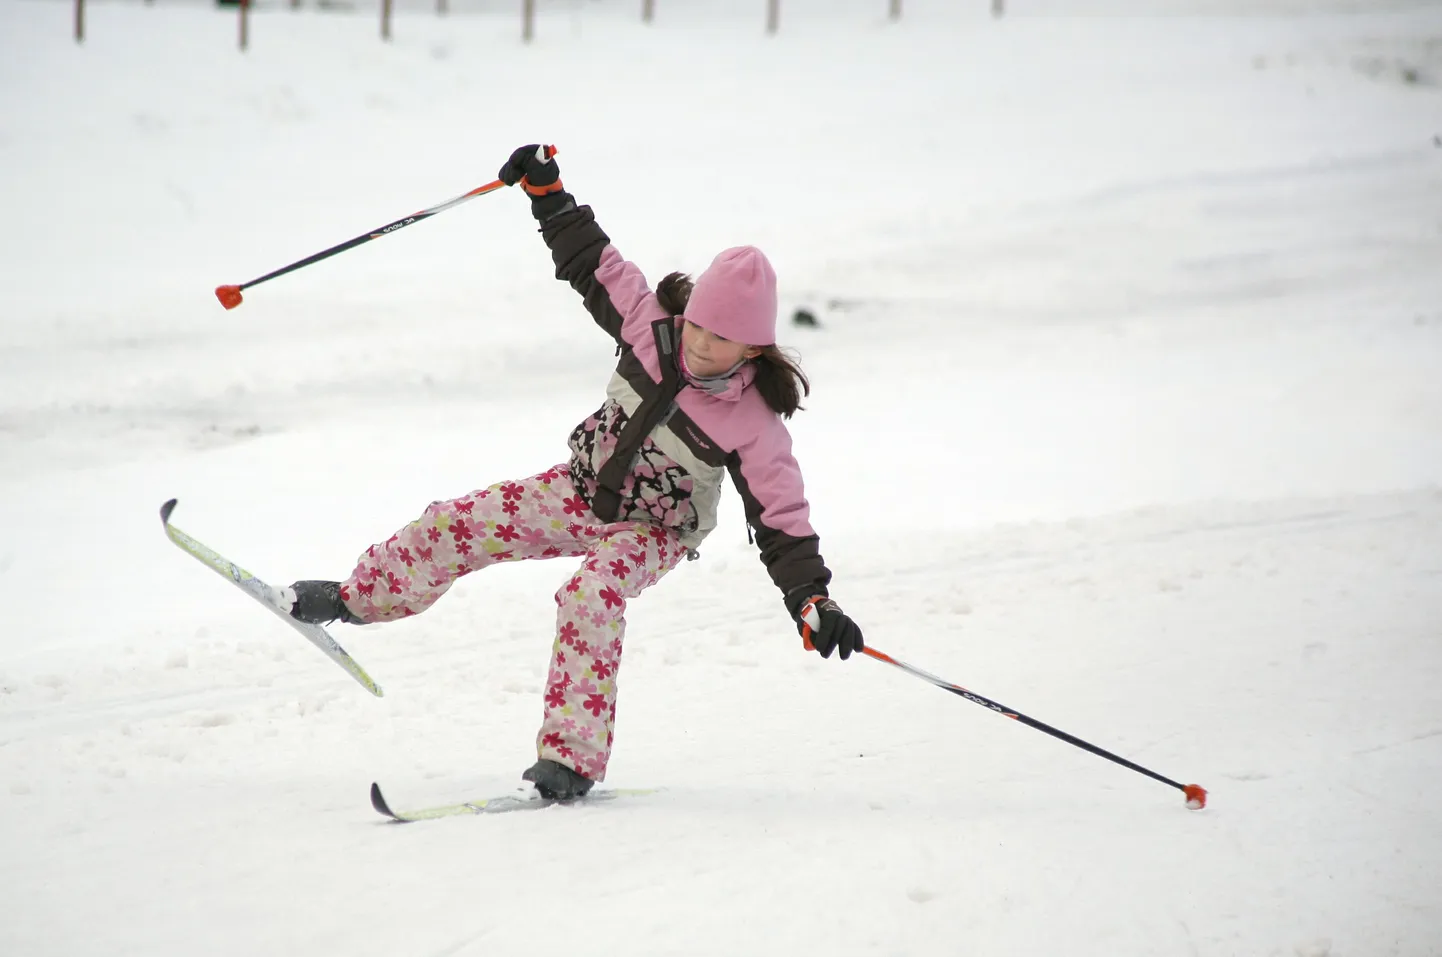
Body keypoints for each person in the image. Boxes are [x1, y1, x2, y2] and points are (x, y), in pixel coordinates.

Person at [286, 145, 864, 800]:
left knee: (591, 596)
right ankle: (359, 596)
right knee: (455, 521)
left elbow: (783, 525)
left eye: (721, 338)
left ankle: (570, 760)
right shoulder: (651, 329)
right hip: (581, 489)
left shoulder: (754, 425)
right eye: (698, 325)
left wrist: (813, 603)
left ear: (754, 346)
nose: (702, 343)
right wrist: (547, 191)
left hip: (653, 530)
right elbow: (592, 262)